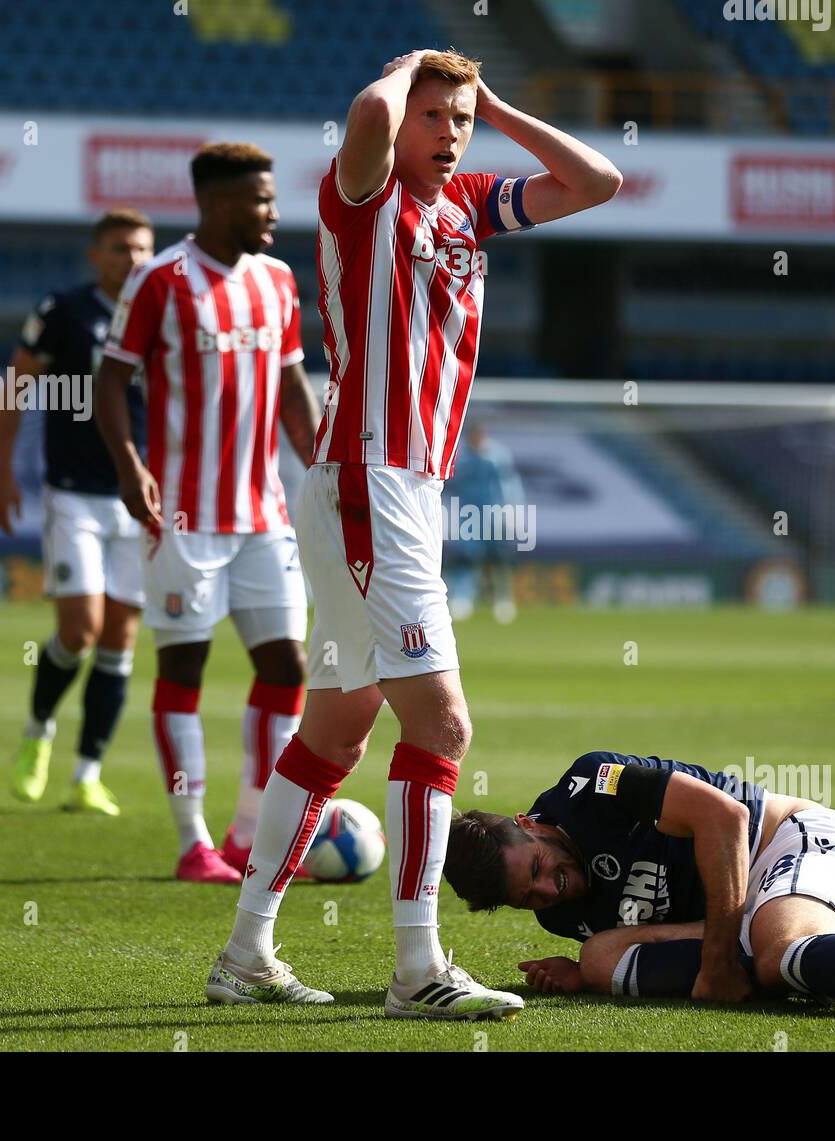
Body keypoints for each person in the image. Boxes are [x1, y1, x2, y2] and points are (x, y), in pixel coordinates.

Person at [205, 48, 621, 1016]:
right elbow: (362, 113)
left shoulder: (468, 203)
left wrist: (494, 104)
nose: (450, 137)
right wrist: (404, 76)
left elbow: (596, 182)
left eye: (459, 123)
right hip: (368, 480)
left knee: (336, 728)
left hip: (398, 490)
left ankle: (245, 954)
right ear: (399, 126)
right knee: (440, 725)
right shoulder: (362, 197)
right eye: (433, 119)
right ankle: (416, 968)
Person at [96, 143, 321, 884]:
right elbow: (110, 383)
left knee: (286, 665)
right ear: (220, 203)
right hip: (183, 518)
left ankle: (251, 829)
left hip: (263, 513)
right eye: (262, 201)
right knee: (184, 668)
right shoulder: (160, 281)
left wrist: (324, 470)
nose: (275, 214)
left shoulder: (279, 281)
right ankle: (193, 840)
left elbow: (292, 389)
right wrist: (129, 467)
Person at [444, 751, 835, 1028]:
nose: (548, 890)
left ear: (528, 822)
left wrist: (718, 959)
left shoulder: (595, 783)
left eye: (537, 866)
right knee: (598, 955)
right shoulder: (559, 916)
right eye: (529, 897)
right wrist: (583, 974)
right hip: (756, 913)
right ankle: (804, 965)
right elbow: (637, 945)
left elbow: (724, 817)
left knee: (775, 941)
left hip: (797, 846)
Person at [0, 208, 154, 815]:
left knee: (120, 639)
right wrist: (2, 471)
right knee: (78, 630)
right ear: (95, 254)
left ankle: (87, 775)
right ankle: (38, 734)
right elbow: (16, 385)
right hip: (74, 494)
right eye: (118, 248)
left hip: (142, 499)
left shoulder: (163, 312)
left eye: (140, 248)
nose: (131, 259)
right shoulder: (63, 310)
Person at [445, 420, 524, 624]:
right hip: (467, 514)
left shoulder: (497, 456)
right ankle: (462, 598)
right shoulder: (460, 456)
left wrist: (512, 510)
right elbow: (449, 485)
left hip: (494, 512)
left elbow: (509, 484)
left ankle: (503, 599)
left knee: (498, 557)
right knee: (466, 556)